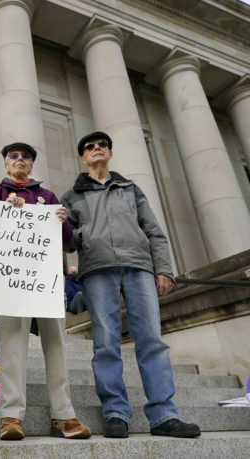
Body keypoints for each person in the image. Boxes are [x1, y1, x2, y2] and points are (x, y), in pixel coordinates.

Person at [60, 131, 200, 439]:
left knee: (152, 340)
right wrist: (64, 225)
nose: (97, 149)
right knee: (105, 343)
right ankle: (115, 413)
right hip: (97, 271)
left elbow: (154, 230)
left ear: (109, 153)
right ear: (83, 157)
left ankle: (163, 415)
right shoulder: (71, 196)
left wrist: (164, 268)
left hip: (139, 268)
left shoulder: (130, 189)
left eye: (102, 145)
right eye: (90, 147)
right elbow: (66, 242)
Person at [0, 142, 91, 441]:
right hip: (12, 282)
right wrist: (2, 212)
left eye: (25, 156)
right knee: (12, 344)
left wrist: (63, 221)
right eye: (14, 156)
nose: (20, 160)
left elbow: (66, 240)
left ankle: (64, 415)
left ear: (31, 164)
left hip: (46, 282)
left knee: (56, 345)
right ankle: (11, 415)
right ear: (6, 164)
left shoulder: (47, 196)